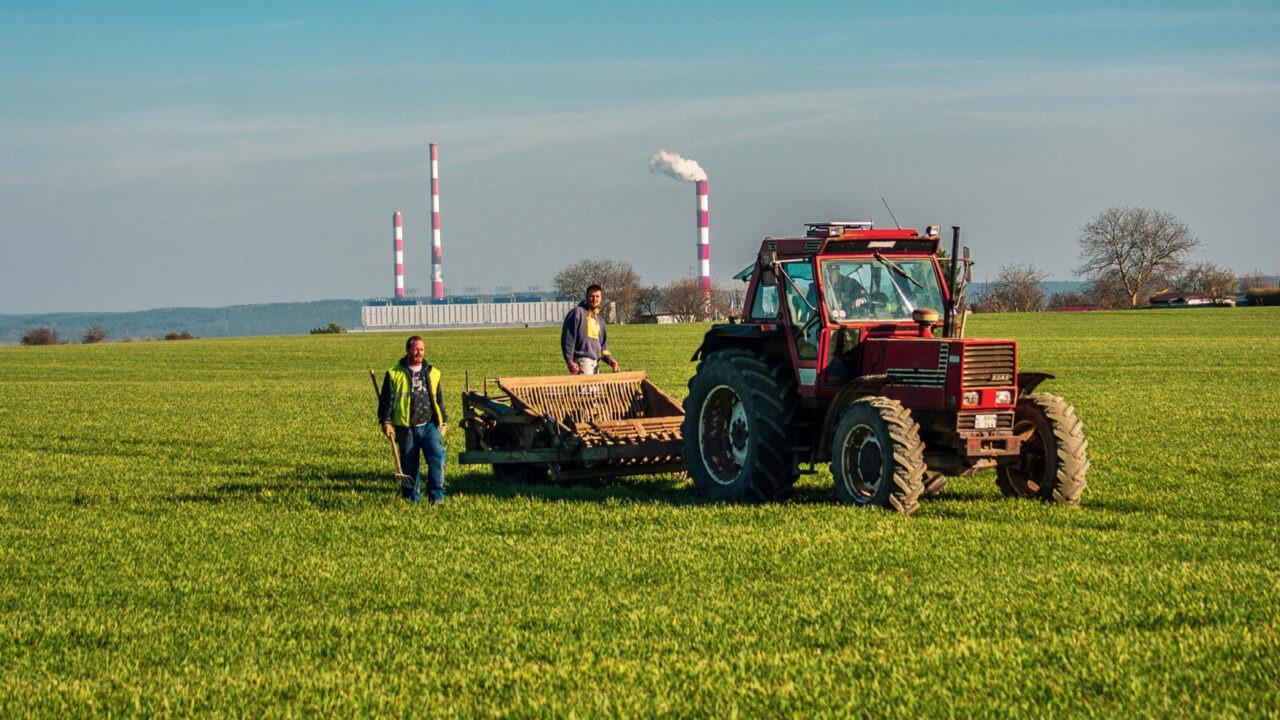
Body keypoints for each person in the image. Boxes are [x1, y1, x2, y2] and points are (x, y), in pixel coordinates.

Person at [377, 336, 448, 505]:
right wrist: (385, 423)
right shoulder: (394, 374)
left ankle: (436, 497)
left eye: (421, 349)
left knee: (438, 458)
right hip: (405, 427)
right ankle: (411, 500)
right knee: (409, 466)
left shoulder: (433, 373)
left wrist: (443, 421)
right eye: (415, 349)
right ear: (408, 350)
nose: (419, 353)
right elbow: (386, 401)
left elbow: (438, 399)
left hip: (429, 425)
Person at [561, 284, 619, 375]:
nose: (594, 299)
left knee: (594, 390)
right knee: (586, 389)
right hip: (582, 362)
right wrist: (570, 361)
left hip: (595, 363)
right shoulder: (577, 313)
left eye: (597, 296)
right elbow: (568, 340)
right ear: (586, 297)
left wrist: (609, 359)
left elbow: (603, 346)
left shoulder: (599, 320)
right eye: (591, 296)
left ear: (601, 298)